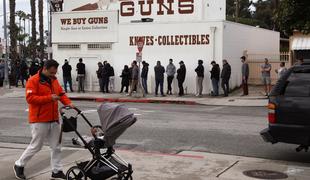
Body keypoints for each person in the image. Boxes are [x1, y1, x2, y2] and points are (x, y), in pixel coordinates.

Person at [13, 59, 73, 180]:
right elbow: (30, 99)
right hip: (39, 119)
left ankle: (56, 170)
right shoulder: (33, 80)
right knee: (36, 145)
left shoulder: (54, 80)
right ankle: (19, 164)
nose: (53, 75)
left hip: (54, 118)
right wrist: (49, 98)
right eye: (51, 73)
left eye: (55, 73)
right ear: (45, 69)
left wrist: (68, 103)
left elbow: (61, 94)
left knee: (56, 146)